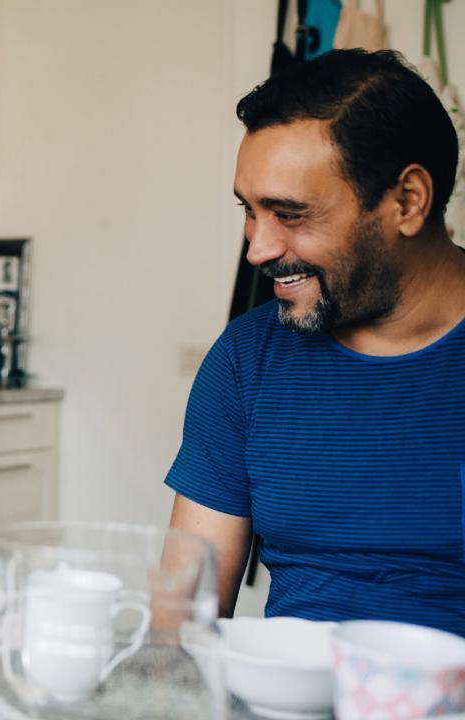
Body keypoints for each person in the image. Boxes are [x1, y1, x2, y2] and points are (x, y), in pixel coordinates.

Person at [166, 49, 465, 635]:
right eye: (250, 211)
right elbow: (182, 619)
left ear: (408, 200)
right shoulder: (246, 357)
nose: (258, 249)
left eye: (290, 213)